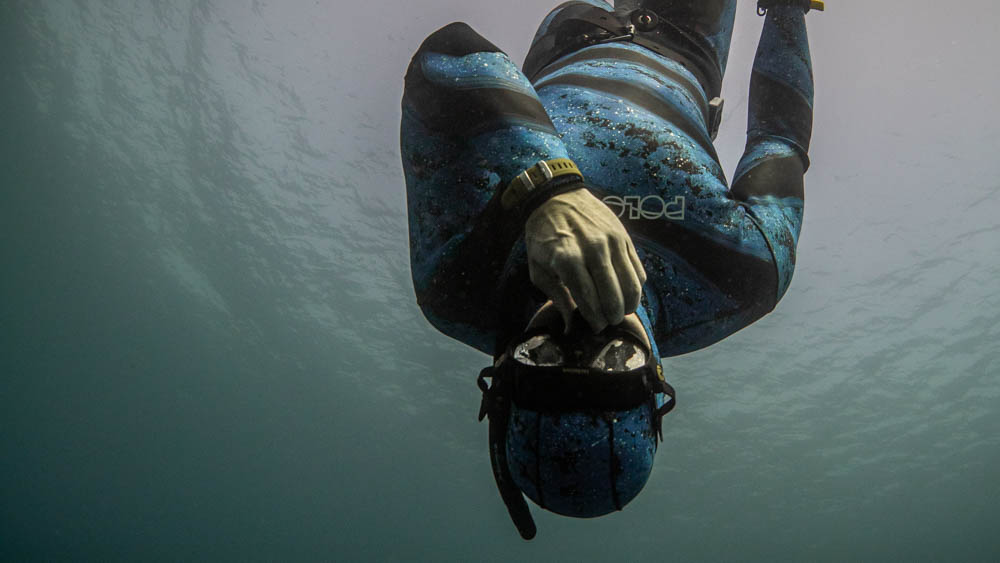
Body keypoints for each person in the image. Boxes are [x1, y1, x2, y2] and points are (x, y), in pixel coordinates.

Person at [400, 0, 820, 539]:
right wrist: (789, 12)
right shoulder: (740, 276)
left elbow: (448, 51)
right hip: (690, 44)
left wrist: (546, 188)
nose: (584, 320)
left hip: (573, 32)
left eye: (545, 353)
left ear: (502, 372)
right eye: (616, 358)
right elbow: (779, 141)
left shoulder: (458, 285)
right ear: (657, 384)